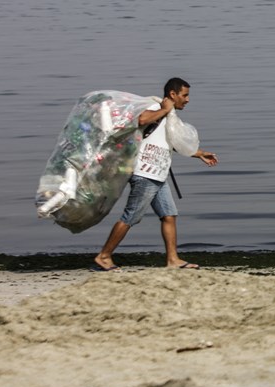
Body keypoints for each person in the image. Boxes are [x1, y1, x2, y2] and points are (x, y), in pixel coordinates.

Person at [93, 77, 218, 271]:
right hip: (145, 173)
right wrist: (164, 109)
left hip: (159, 174)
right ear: (172, 94)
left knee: (169, 215)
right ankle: (104, 256)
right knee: (131, 216)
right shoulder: (156, 106)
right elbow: (142, 119)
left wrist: (200, 154)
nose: (187, 100)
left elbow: (172, 143)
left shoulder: (170, 116)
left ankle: (173, 260)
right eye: (184, 95)